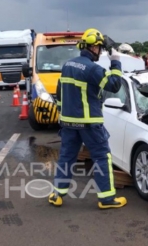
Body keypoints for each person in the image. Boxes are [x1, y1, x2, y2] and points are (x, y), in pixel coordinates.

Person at [51, 28, 127, 209]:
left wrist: (63, 113)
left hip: (68, 122)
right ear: (93, 48)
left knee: (66, 158)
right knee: (101, 157)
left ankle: (57, 195)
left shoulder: (68, 65)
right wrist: (116, 62)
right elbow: (115, 85)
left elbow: (60, 92)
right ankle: (107, 199)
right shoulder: (93, 69)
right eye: (99, 48)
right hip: (89, 123)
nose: (100, 51)